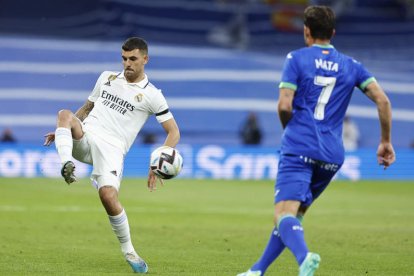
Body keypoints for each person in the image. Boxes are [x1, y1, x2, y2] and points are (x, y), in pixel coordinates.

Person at [238, 5, 395, 276]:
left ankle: (304, 258)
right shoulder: (352, 65)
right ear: (332, 33)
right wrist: (385, 141)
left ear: (306, 31)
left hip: (300, 146)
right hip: (332, 154)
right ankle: (257, 271)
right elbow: (383, 100)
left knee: (283, 214)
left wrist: (292, 132)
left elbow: (284, 105)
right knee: (293, 216)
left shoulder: (296, 59)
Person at [43, 37, 180, 273]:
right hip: (86, 137)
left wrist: (155, 163)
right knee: (64, 114)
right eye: (124, 58)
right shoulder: (106, 77)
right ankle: (67, 163)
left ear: (145, 59)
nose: (127, 64)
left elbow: (173, 132)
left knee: (108, 197)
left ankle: (129, 251)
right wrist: (64, 129)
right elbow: (86, 108)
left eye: (133, 59)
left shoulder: (152, 95)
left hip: (112, 150)